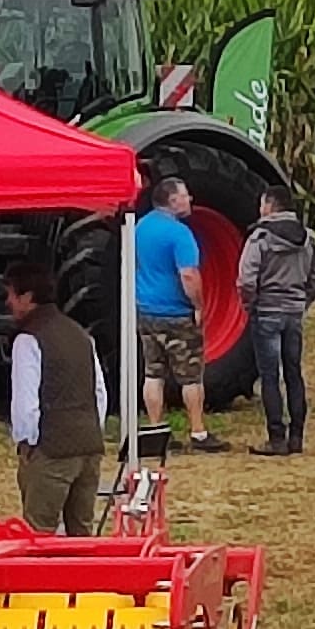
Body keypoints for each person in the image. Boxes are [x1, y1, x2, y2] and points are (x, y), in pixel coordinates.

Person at [0, 257, 106, 534]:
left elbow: (25, 402)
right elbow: (100, 393)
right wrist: (93, 431)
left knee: (39, 533)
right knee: (81, 532)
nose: (8, 302)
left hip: (51, 449)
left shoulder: (29, 339)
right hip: (89, 446)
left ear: (27, 296)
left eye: (11, 294)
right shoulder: (81, 335)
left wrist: (28, 443)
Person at [130, 172, 215, 448]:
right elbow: (188, 274)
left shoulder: (140, 227)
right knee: (190, 375)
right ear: (172, 199)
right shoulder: (180, 233)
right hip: (176, 313)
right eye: (184, 193)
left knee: (153, 373)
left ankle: (157, 431)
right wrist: (199, 305)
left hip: (146, 310)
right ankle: (198, 431)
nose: (189, 198)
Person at [239, 181, 315, 455]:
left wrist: (250, 304)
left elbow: (246, 279)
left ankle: (277, 437)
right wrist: (303, 300)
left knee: (269, 376)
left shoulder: (260, 237)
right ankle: (297, 436)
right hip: (294, 311)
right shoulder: (307, 237)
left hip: (267, 311)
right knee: (294, 373)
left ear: (270, 205)